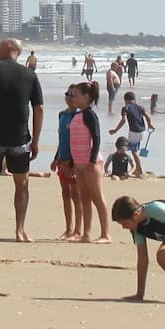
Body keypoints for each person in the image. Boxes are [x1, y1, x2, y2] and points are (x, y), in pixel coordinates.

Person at [0, 37, 45, 242]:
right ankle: (20, 231)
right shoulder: (30, 74)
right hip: (20, 139)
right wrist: (36, 140)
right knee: (21, 184)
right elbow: (38, 108)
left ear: (8, 48)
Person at [55, 81, 109, 242]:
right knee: (84, 198)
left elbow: (96, 137)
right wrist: (72, 163)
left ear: (86, 97)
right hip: (78, 163)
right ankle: (86, 233)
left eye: (76, 96)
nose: (73, 98)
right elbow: (73, 141)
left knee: (97, 198)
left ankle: (106, 234)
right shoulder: (77, 115)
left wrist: (92, 161)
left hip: (91, 163)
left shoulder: (89, 114)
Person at [116, 91, 150, 159]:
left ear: (125, 100)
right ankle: (136, 166)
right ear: (134, 99)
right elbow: (147, 116)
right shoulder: (140, 107)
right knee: (134, 149)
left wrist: (116, 130)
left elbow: (124, 120)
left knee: (133, 151)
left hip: (134, 132)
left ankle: (138, 167)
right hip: (142, 131)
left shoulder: (125, 108)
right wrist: (150, 125)